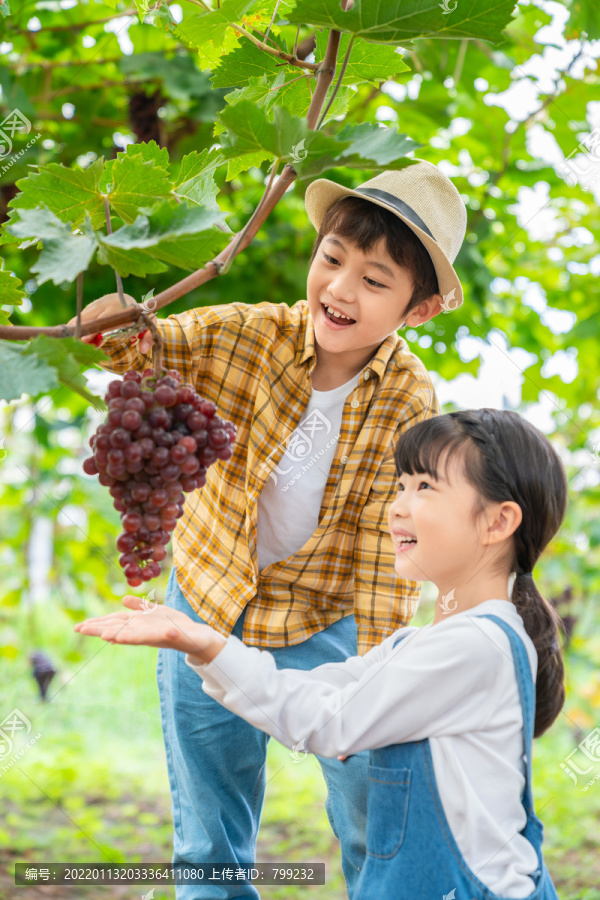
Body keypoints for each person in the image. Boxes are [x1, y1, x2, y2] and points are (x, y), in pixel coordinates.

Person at [70, 160, 467, 899]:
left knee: (372, 815)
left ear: (421, 309)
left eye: (375, 281)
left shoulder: (412, 400)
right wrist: (116, 317)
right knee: (210, 840)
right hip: (209, 601)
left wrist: (380, 684)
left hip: (329, 625)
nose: (340, 290)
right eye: (333, 259)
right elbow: (149, 346)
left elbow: (388, 549)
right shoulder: (249, 334)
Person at [76, 408, 566, 900]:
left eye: (425, 488)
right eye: (400, 486)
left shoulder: (472, 648)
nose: (397, 507)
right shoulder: (421, 643)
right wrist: (204, 642)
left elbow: (329, 722)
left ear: (499, 521)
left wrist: (206, 644)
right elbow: (322, 688)